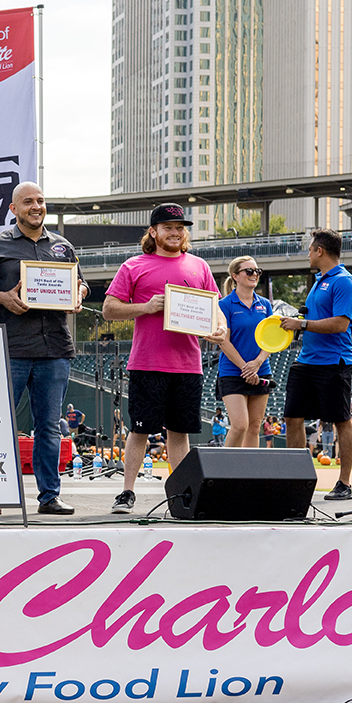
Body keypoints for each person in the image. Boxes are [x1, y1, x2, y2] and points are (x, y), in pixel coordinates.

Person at [0, 182, 88, 515]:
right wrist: (3, 297)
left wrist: (78, 294)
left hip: (55, 349)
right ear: (13, 209)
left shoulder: (62, 247)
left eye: (41, 201)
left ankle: (49, 497)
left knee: (48, 426)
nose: (36, 206)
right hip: (11, 348)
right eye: (28, 201)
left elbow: (81, 282)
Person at [101, 203, 225, 513]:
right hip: (146, 362)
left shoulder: (199, 266)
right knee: (140, 429)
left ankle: (180, 493)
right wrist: (145, 307)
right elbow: (109, 309)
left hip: (188, 363)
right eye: (168, 227)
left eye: (180, 227)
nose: (175, 232)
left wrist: (220, 327)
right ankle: (127, 492)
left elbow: (215, 309)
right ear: (154, 231)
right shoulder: (134, 265)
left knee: (180, 432)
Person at [279, 228, 352, 501]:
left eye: (310, 249)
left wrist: (301, 323)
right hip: (306, 360)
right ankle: (297, 478)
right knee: (292, 417)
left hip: (333, 362)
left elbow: (340, 323)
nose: (308, 254)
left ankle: (345, 483)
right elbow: (314, 319)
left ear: (320, 251)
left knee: (341, 420)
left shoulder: (344, 281)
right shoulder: (319, 281)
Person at [215, 256, 273, 447]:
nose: (254, 274)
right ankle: (225, 475)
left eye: (257, 271)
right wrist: (245, 368)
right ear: (235, 276)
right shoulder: (225, 305)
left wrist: (256, 364)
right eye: (248, 271)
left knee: (255, 426)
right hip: (232, 372)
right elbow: (224, 341)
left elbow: (271, 340)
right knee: (240, 425)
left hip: (261, 369)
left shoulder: (265, 304)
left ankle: (250, 475)